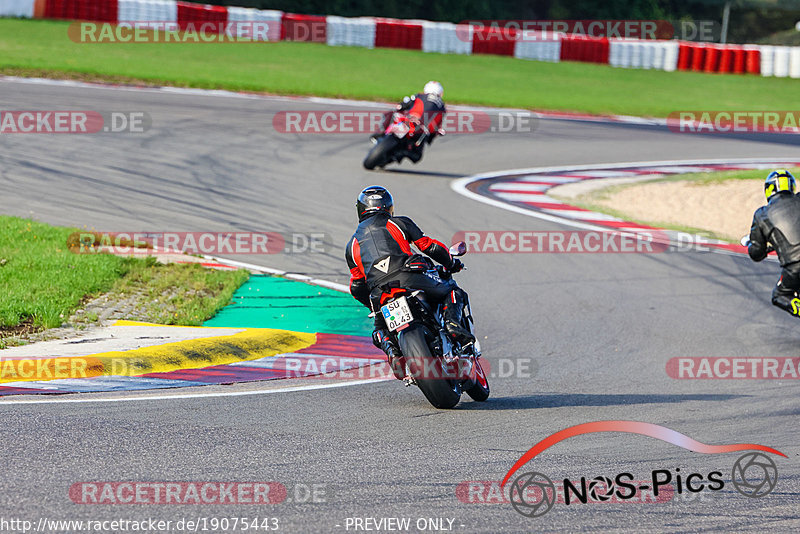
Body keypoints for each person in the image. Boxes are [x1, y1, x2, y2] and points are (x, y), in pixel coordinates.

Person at [345, 185, 473, 379]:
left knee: (379, 329)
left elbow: (356, 286)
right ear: (388, 207)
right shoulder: (398, 223)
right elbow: (428, 246)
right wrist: (452, 262)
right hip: (410, 276)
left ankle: (392, 350)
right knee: (453, 291)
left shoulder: (351, 245)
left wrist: (372, 307)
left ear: (360, 210)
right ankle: (453, 325)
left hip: (379, 292)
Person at [747, 169, 800, 317]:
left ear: (769, 190)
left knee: (780, 295)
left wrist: (759, 246)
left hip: (795, 267)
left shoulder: (762, 214)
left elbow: (755, 254)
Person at [371, 81, 446, 163]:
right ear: (440, 92)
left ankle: (379, 133)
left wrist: (400, 107)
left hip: (410, 121)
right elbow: (437, 125)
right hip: (421, 128)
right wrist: (431, 137)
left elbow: (405, 104)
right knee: (417, 156)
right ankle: (401, 152)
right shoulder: (442, 106)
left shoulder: (420, 95)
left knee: (391, 114)